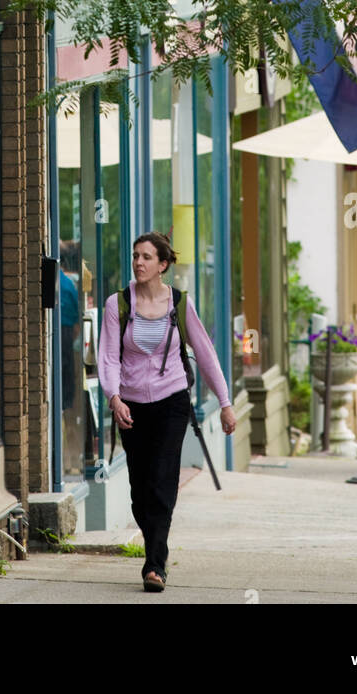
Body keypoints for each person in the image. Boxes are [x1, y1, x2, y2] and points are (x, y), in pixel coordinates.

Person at [98, 232, 236, 592]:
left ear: (163, 265)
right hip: (130, 405)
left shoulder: (179, 303)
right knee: (139, 490)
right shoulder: (118, 304)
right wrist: (114, 398)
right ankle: (153, 544)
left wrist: (225, 402)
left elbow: (204, 353)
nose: (139, 263)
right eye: (135, 256)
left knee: (162, 480)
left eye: (146, 257)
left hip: (172, 401)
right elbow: (109, 357)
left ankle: (155, 565)